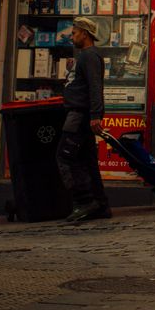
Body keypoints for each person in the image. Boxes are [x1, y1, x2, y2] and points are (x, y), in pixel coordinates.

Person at [56, 17, 111, 222]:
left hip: (79, 116)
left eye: (74, 33)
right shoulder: (86, 56)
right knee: (88, 161)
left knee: (65, 157)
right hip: (81, 115)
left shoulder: (89, 56)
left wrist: (96, 115)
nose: (72, 37)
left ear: (84, 34)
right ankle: (101, 204)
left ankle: (85, 201)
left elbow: (95, 87)